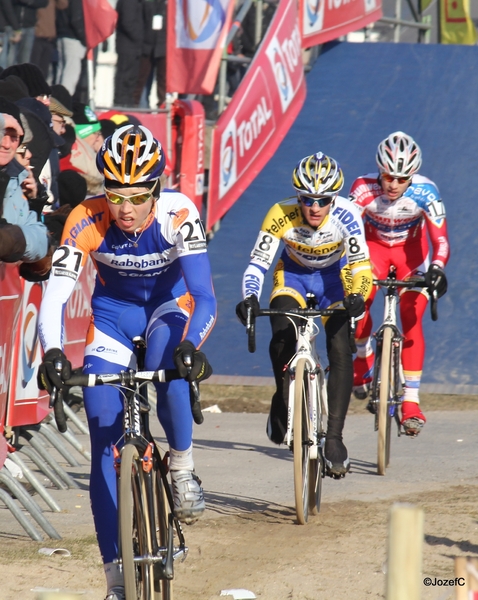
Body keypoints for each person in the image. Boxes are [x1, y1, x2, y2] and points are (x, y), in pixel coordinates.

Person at [37, 124, 216, 600]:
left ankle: (180, 467)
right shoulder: (85, 218)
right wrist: (53, 352)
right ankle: (116, 574)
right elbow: (54, 299)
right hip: (112, 320)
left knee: (172, 377)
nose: (126, 209)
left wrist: (191, 345)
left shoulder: (180, 214)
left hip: (166, 309)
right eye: (116, 195)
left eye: (138, 196)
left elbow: (203, 295)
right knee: (101, 436)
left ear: (156, 189)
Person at [235, 152, 373, 477]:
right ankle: (283, 402)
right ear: (297, 196)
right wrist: (250, 298)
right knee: (281, 335)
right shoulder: (280, 214)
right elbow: (258, 263)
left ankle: (335, 438)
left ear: (333, 198)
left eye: (323, 200)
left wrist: (358, 296)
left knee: (340, 347)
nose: (314, 207)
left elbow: (360, 265)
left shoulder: (349, 216)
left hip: (335, 281)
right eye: (307, 199)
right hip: (293, 276)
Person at [348, 131, 450, 436]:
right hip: (373, 249)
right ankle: (363, 356)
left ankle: (411, 401)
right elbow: (347, 230)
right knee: (359, 303)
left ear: (412, 177)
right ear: (379, 171)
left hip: (411, 256)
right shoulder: (362, 188)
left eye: (402, 179)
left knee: (411, 317)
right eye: (388, 176)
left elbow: (441, 239)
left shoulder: (427, 192)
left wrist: (437, 269)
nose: (393, 184)